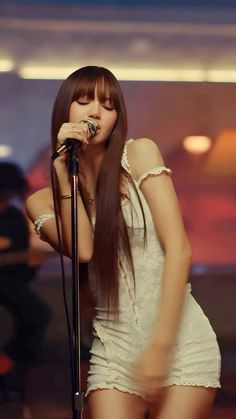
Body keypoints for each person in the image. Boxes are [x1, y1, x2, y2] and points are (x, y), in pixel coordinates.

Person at [26, 66, 221, 419]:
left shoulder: (140, 155)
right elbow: (84, 249)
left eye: (109, 105)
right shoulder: (41, 202)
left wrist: (161, 347)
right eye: (84, 101)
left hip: (180, 341)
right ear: (64, 112)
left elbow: (179, 249)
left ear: (117, 117)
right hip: (114, 351)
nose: (96, 112)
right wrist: (62, 172)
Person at [0, 162, 51, 403]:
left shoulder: (13, 218)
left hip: (9, 282)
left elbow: (21, 262)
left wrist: (32, 264)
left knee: (38, 314)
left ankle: (12, 365)